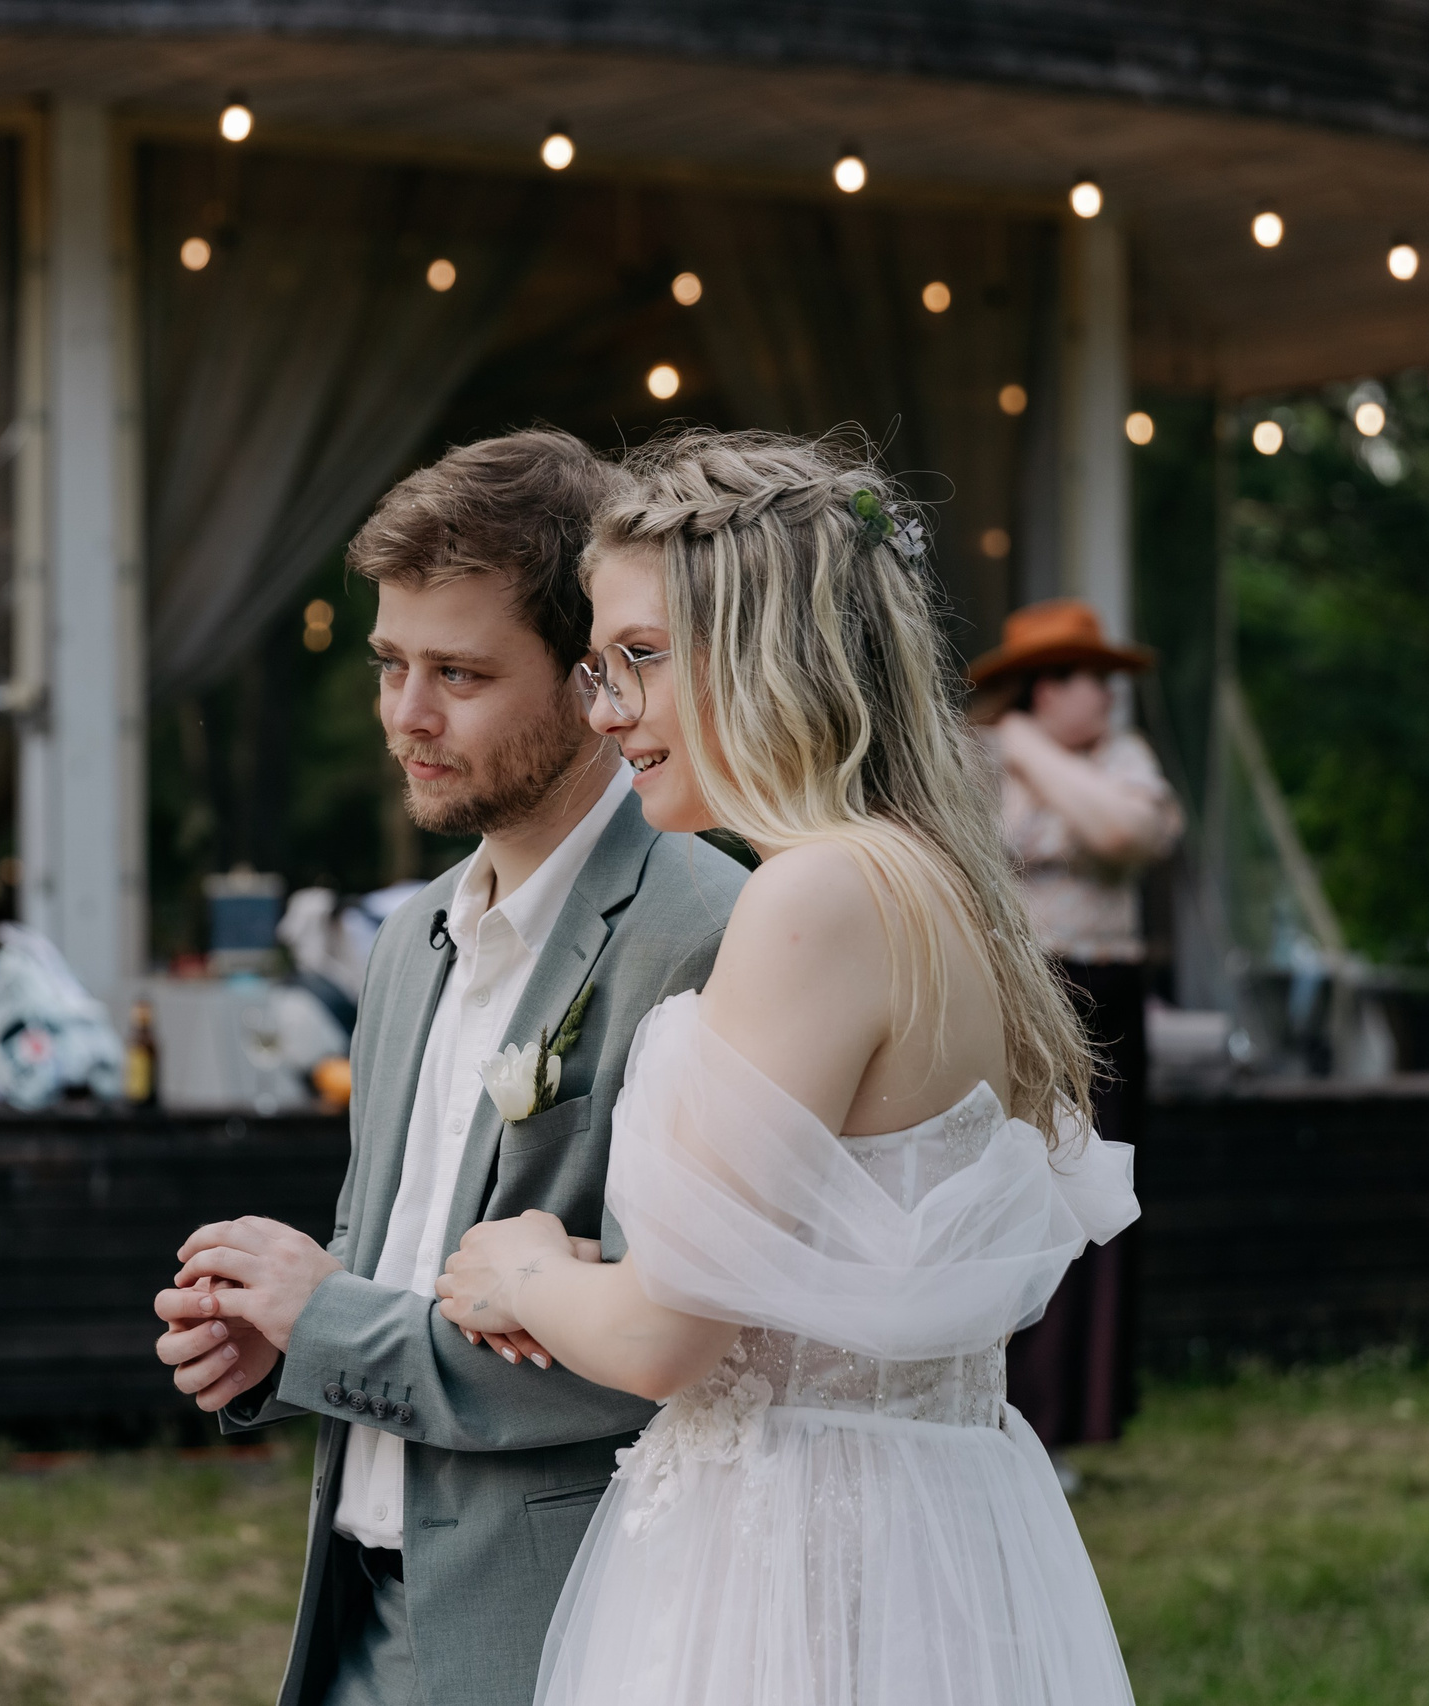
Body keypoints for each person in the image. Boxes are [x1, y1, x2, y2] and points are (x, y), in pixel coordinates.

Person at [433, 431, 1140, 1705]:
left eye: (641, 658)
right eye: (597, 667)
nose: (606, 710)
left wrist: (523, 1264)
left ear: (770, 646)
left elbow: (662, 1340)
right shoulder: (926, 881)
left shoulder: (812, 895)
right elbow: (823, 1270)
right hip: (925, 1527)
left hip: (796, 1562)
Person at [153, 429, 747, 1706]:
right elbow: (399, 1263)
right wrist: (278, 1346)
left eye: (459, 674)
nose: (406, 716)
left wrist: (322, 1315)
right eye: (390, 665)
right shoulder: (408, 939)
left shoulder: (707, 932)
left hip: (566, 1618)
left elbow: (660, 1348)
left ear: (591, 678)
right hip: (354, 1604)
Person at [970, 598, 1183, 1451]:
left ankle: (1077, 1419)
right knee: (1016, 1187)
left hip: (1112, 990)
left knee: (1101, 1192)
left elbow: (1130, 830)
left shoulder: (1122, 755)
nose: (1101, 696)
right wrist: (1027, 759)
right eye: (1083, 679)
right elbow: (982, 849)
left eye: (1103, 679)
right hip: (1023, 989)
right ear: (1040, 689)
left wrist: (1035, 758)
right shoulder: (978, 757)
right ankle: (1009, 1405)